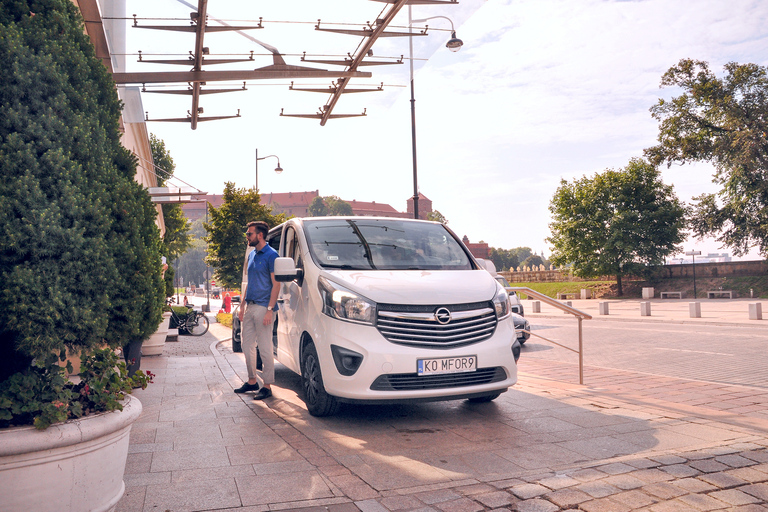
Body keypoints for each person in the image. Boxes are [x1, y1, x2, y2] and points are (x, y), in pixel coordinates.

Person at [234, 221, 279, 400]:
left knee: (265, 348)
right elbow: (250, 283)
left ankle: (267, 386)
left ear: (260, 235)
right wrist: (242, 305)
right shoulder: (252, 255)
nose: (247, 236)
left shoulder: (272, 256)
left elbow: (276, 285)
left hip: (263, 307)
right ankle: (252, 381)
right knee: (247, 345)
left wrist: (269, 309)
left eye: (249, 233)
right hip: (251, 306)